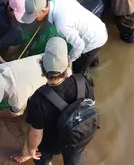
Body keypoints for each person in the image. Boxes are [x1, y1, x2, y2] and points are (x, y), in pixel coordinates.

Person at [20, 37, 95, 165]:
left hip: (51, 144)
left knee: (42, 159)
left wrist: (31, 149)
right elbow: (91, 106)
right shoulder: (82, 81)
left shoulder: (38, 98)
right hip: (76, 138)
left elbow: (36, 133)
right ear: (68, 61)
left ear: (42, 65)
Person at [20, 0, 108, 76]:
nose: (35, 20)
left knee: (79, 70)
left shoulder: (62, 26)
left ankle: (85, 75)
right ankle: (94, 63)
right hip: (97, 25)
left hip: (94, 40)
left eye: (35, 17)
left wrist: (69, 61)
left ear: (42, 11)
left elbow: (80, 45)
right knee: (91, 57)